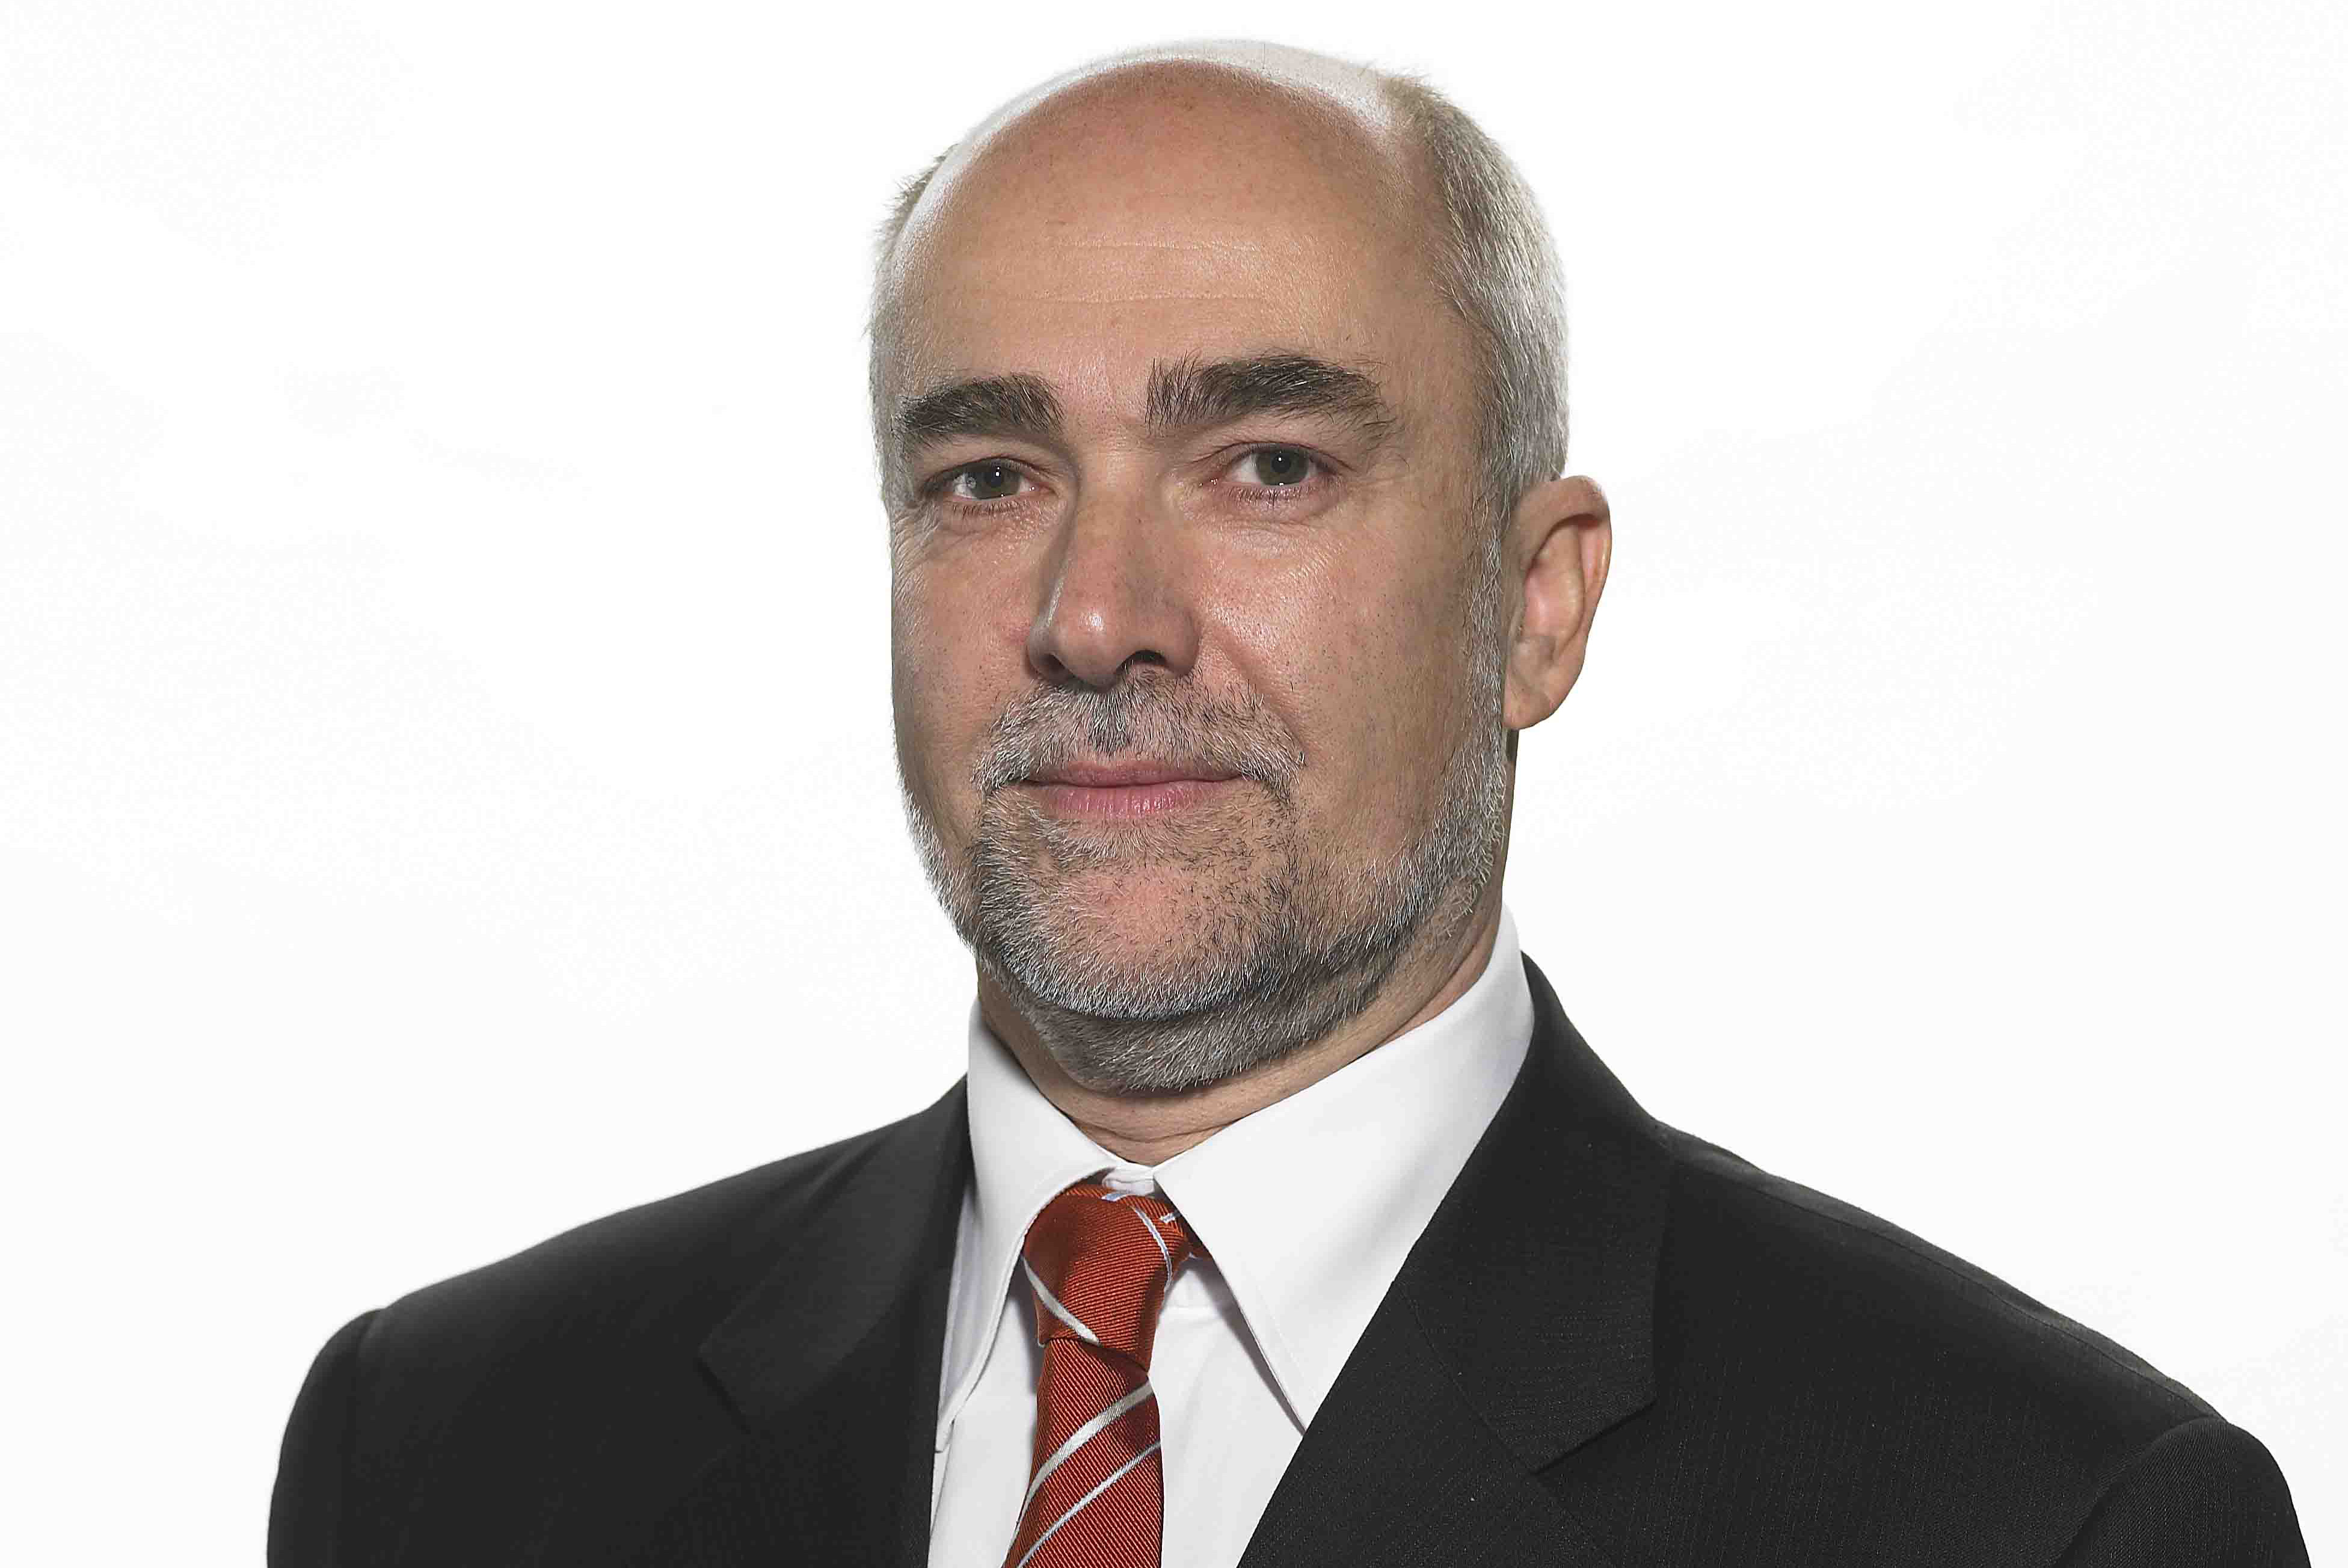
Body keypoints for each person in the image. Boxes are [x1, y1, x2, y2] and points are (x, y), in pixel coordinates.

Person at [269, 41, 2308, 1568]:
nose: (1095, 616)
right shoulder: (441, 1452)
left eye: (1269, 467)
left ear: (1534, 605)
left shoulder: (2046, 1521)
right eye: (990, 479)